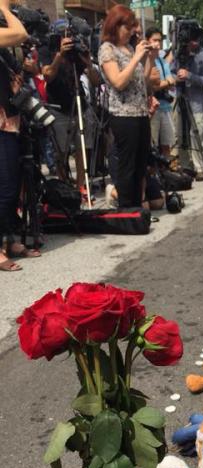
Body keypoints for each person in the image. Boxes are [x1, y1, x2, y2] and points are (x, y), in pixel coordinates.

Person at [99, 4, 155, 208]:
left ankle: (136, 205)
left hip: (140, 112)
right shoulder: (107, 49)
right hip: (123, 114)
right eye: (127, 27)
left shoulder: (130, 48)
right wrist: (136, 58)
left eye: (132, 27)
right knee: (128, 163)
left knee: (141, 162)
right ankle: (124, 205)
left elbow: (144, 81)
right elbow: (118, 81)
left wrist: (149, 58)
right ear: (115, 26)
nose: (130, 31)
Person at [39, 19, 100, 195]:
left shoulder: (76, 51)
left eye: (70, 34)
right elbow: (48, 76)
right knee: (61, 152)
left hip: (79, 104)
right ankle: (63, 187)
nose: (68, 38)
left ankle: (81, 186)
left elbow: (95, 82)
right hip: (58, 107)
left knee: (82, 148)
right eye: (64, 34)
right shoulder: (48, 50)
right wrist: (59, 55)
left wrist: (88, 63)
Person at [0, 0, 29, 271]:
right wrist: (5, 8)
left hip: (11, 117)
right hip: (1, 122)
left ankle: (8, 238)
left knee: (14, 183)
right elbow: (20, 33)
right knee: (5, 187)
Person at [172, 26, 203, 180]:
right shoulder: (179, 52)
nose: (194, 42)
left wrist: (189, 75)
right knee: (180, 134)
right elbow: (171, 70)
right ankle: (185, 166)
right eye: (191, 39)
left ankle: (200, 167)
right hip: (181, 97)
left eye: (196, 39)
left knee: (197, 133)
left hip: (197, 101)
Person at [146, 27, 175, 157]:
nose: (158, 44)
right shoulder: (147, 61)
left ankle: (166, 171)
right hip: (152, 107)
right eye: (154, 40)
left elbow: (171, 81)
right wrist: (166, 82)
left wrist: (165, 83)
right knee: (152, 144)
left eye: (160, 41)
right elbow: (153, 86)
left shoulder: (163, 62)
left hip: (166, 106)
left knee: (166, 143)